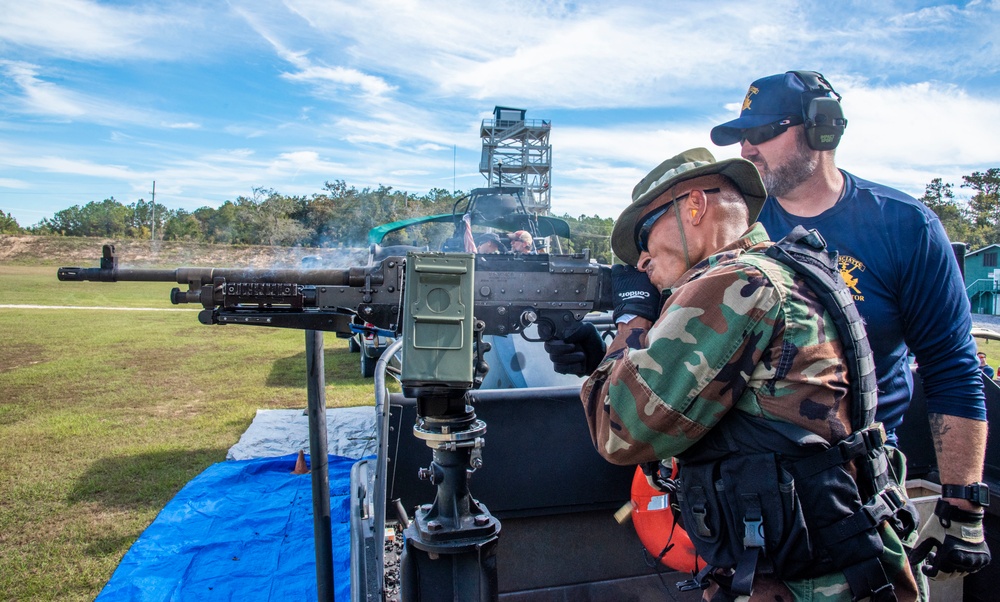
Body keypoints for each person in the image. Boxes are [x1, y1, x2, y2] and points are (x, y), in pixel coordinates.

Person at [550, 147, 919, 600]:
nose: (641, 260)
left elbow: (618, 433)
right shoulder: (785, 270)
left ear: (695, 205)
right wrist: (602, 359)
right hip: (833, 565)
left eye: (645, 235)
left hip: (806, 584)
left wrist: (631, 321)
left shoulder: (734, 285)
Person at [711, 71, 990, 582]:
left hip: (861, 492)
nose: (747, 149)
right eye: (742, 137)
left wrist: (964, 506)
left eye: (763, 132)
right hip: (745, 493)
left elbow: (952, 368)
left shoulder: (905, 228)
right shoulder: (730, 230)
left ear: (822, 129)